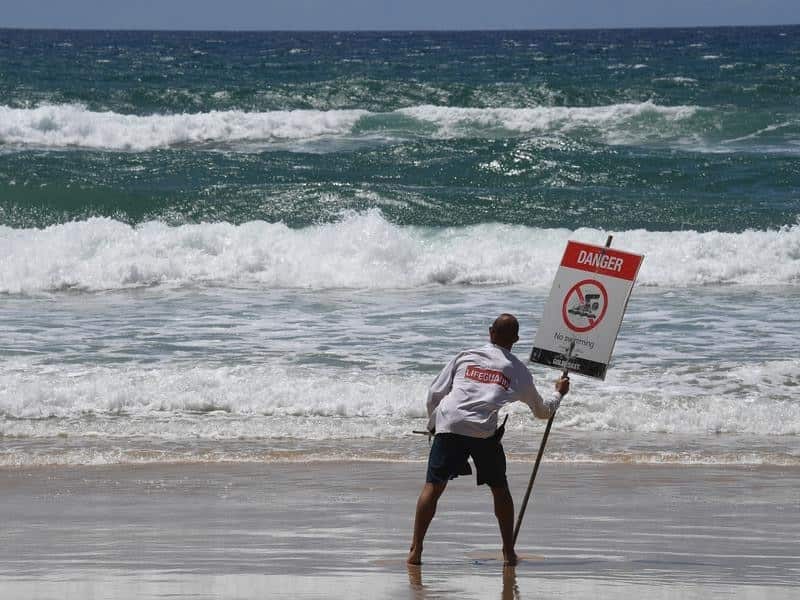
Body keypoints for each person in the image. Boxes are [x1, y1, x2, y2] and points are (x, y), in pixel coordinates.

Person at [407, 313, 569, 567]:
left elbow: (434, 394)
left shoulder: (465, 356)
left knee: (433, 487)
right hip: (483, 430)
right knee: (500, 490)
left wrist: (434, 425)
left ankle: (416, 551)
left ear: (490, 332)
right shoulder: (518, 369)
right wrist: (558, 393)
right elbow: (542, 412)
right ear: (516, 339)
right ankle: (508, 552)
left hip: (450, 422)